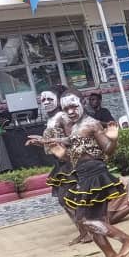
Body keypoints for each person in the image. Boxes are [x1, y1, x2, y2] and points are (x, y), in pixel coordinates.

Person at [47, 90, 129, 257]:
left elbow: (108, 150)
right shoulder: (73, 127)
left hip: (95, 175)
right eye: (66, 109)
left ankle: (127, 240)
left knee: (85, 219)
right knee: (90, 218)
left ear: (83, 102)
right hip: (83, 174)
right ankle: (110, 254)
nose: (71, 111)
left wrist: (114, 139)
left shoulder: (92, 123)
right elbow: (77, 156)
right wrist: (63, 155)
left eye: (74, 106)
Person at [27, 88, 92, 245]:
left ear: (58, 100)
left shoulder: (63, 117)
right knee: (65, 200)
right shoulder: (51, 119)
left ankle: (87, 232)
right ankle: (83, 232)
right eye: (43, 100)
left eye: (50, 99)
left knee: (68, 199)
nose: (46, 103)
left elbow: (71, 139)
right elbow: (54, 143)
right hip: (59, 163)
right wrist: (41, 142)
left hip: (69, 162)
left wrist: (46, 141)